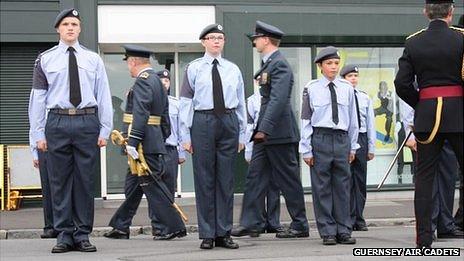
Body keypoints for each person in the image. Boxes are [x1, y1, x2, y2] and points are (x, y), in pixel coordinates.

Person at [28, 8, 113, 253]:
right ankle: (64, 234)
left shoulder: (93, 59)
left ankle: (83, 233)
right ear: (58, 29)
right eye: (65, 24)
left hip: (87, 121)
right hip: (58, 121)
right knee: (60, 180)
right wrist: (38, 135)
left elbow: (103, 94)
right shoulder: (45, 59)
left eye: (74, 24)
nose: (70, 28)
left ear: (80, 28)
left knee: (85, 181)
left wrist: (105, 128)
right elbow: (38, 99)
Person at [394, 0, 463, 248]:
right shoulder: (461, 38)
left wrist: (422, 104)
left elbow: (402, 83)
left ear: (426, 12)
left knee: (424, 178)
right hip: (458, 115)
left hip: (427, 116)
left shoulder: (414, 41)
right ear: (451, 11)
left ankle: (424, 239)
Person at [233, 21, 309, 240]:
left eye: (256, 38)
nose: (255, 42)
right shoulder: (270, 64)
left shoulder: (279, 64)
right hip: (267, 133)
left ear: (265, 39)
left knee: (288, 180)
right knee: (255, 178)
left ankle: (300, 224)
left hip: (278, 133)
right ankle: (250, 223)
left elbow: (278, 100)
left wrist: (264, 129)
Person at [104, 45, 186, 242]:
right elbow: (164, 116)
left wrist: (133, 141)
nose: (128, 68)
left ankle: (173, 226)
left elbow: (140, 112)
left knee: (152, 184)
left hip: (142, 144)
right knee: (134, 186)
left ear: (133, 61)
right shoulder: (157, 82)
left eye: (128, 64)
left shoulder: (142, 82)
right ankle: (121, 226)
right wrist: (161, 135)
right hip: (151, 139)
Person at [179, 24, 246, 250]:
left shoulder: (233, 69)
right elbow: (186, 103)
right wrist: (185, 135)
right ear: (203, 42)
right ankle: (207, 233)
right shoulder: (193, 68)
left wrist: (242, 134)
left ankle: (224, 232)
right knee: (205, 178)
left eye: (220, 38)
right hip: (203, 121)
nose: (216, 41)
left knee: (225, 180)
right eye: (212, 38)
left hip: (228, 121)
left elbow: (241, 103)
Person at [300, 46, 359, 245]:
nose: (333, 67)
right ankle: (327, 230)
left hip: (342, 139)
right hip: (321, 138)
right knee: (322, 186)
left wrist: (353, 146)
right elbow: (306, 120)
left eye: (336, 63)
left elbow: (353, 119)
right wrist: (306, 148)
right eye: (329, 63)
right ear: (320, 66)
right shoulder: (312, 88)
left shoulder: (347, 88)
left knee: (343, 186)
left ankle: (344, 229)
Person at [401, 101, 463, 239]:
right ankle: (429, 226)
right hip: (427, 129)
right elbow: (408, 104)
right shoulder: (418, 79)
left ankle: (445, 225)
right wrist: (409, 134)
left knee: (448, 179)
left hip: (449, 127)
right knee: (429, 181)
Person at [233, 91, 282, 235]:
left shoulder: (276, 97)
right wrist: (249, 150)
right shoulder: (251, 101)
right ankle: (258, 221)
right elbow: (249, 126)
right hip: (258, 143)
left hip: (273, 140)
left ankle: (273, 222)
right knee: (257, 185)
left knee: (274, 185)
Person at [150, 69, 186, 237]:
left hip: (170, 150)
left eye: (167, 81)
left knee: (169, 189)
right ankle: (158, 226)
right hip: (154, 150)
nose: (164, 83)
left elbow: (180, 129)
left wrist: (181, 153)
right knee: (155, 189)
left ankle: (170, 225)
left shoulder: (175, 103)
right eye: (161, 81)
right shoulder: (148, 101)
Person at [340, 65, 375, 232]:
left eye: (355, 75)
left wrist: (371, 147)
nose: (353, 78)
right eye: (350, 76)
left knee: (359, 181)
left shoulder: (364, 97)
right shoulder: (341, 95)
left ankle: (359, 217)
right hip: (345, 139)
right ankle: (347, 217)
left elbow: (370, 123)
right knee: (345, 180)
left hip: (361, 138)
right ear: (343, 79)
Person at [28, 131, 58, 239]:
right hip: (44, 147)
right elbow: (34, 128)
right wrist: (34, 153)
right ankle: (50, 226)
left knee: (65, 188)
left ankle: (66, 226)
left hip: (63, 145)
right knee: (47, 188)